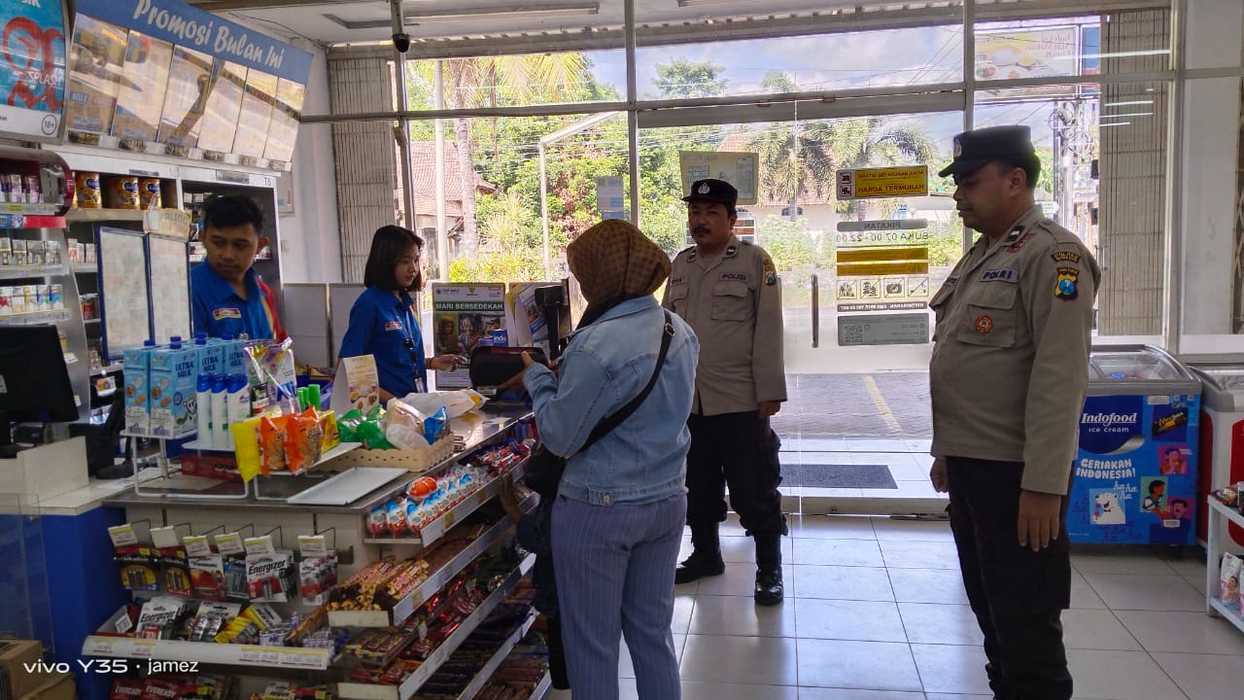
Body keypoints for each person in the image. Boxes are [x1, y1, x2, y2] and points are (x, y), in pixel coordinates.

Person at [928, 125, 1100, 700]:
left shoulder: (1055, 255)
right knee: (991, 612)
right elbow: (966, 363)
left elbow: (1060, 378)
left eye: (970, 182)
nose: (959, 195)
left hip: (1018, 477)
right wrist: (948, 452)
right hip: (975, 468)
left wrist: (1045, 486)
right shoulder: (987, 253)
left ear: (1016, 180)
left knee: (1027, 625)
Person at [520, 219, 698, 700]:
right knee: (652, 635)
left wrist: (537, 379)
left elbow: (560, 436)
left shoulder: (595, 345)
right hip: (666, 501)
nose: (581, 286)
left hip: (598, 510)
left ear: (604, 275)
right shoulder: (679, 331)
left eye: (584, 275)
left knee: (593, 644)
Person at [662, 178, 788, 605]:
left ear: (732, 220)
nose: (700, 221)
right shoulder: (680, 265)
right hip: (689, 401)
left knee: (754, 489)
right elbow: (665, 328)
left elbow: (769, 329)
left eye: (711, 213)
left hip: (740, 401)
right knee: (697, 485)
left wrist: (769, 390)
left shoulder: (755, 262)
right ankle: (706, 555)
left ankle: (769, 569)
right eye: (695, 213)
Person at [339, 225, 463, 401]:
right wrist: (394, 403)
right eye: (405, 261)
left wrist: (432, 363)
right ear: (386, 262)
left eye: (416, 260)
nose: (413, 268)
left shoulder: (404, 301)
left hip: (414, 406)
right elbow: (348, 370)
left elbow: (397, 359)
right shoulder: (369, 304)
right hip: (387, 412)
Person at [191, 194, 285, 340]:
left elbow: (278, 346)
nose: (228, 255)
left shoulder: (263, 293)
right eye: (218, 243)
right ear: (203, 238)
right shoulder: (188, 293)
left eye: (240, 245)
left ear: (260, 246)